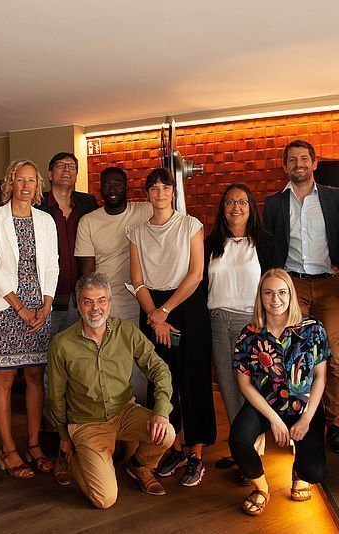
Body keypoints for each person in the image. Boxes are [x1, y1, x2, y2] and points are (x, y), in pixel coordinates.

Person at [47, 273, 175, 508]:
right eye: (88, 301)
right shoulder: (62, 344)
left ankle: (139, 465)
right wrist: (65, 437)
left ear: (110, 303)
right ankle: (76, 461)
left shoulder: (126, 331)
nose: (95, 308)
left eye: (102, 300)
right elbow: (56, 396)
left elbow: (160, 369)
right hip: (87, 423)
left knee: (167, 433)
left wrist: (161, 411)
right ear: (78, 304)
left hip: (124, 412)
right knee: (104, 500)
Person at [127, 168, 216, 487]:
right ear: (147, 194)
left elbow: (195, 275)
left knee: (194, 381)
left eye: (165, 187)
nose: (160, 192)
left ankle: (196, 453)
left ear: (172, 192)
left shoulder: (190, 225)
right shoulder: (136, 232)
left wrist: (165, 311)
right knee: (161, 381)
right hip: (152, 307)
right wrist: (154, 314)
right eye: (154, 188)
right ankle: (172, 447)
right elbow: (137, 281)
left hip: (187, 306)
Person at [263, 139, 339, 454]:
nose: (298, 164)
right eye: (292, 160)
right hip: (292, 286)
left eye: (304, 159)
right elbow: (269, 249)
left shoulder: (335, 197)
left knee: (334, 357)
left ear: (315, 163)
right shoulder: (274, 203)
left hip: (327, 285)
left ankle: (336, 425)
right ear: (285, 166)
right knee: (293, 357)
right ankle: (294, 422)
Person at [0, 158, 59, 478]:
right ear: (10, 184)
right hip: (6, 309)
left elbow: (52, 264)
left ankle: (34, 444)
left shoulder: (45, 221)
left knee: (34, 378)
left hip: (39, 310)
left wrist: (46, 306)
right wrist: (20, 307)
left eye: (32, 181)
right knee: (5, 379)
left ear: (38, 186)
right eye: (20, 180)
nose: (26, 186)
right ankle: (9, 449)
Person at [231, 269, 329, 516]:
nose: (275, 299)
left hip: (303, 406)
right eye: (269, 293)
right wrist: (274, 419)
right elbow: (244, 385)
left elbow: (320, 377)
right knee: (239, 439)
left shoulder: (312, 329)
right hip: (266, 403)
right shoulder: (248, 335)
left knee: (314, 472)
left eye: (282, 292)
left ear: (291, 295)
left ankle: (299, 471)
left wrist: (306, 419)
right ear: (260, 297)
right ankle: (261, 489)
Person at [203, 183, 276, 474]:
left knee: (253, 390)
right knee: (228, 388)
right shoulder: (211, 243)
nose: (236, 207)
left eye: (242, 202)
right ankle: (240, 450)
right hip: (218, 321)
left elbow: (273, 285)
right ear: (223, 208)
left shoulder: (265, 241)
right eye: (230, 202)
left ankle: (253, 454)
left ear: (251, 207)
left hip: (252, 323)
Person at [75, 166, 153, 402]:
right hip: (105, 305)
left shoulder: (145, 211)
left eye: (118, 183)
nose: (112, 189)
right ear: (100, 189)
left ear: (127, 187)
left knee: (138, 366)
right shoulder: (88, 222)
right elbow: (87, 275)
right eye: (107, 184)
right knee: (106, 363)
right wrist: (91, 308)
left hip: (142, 302)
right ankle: (109, 422)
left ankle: (136, 423)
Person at [37, 151, 98, 335]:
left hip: (79, 298)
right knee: (46, 356)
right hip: (46, 299)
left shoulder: (87, 203)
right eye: (60, 165)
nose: (66, 170)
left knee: (75, 355)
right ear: (49, 174)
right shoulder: (37, 204)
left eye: (71, 167)